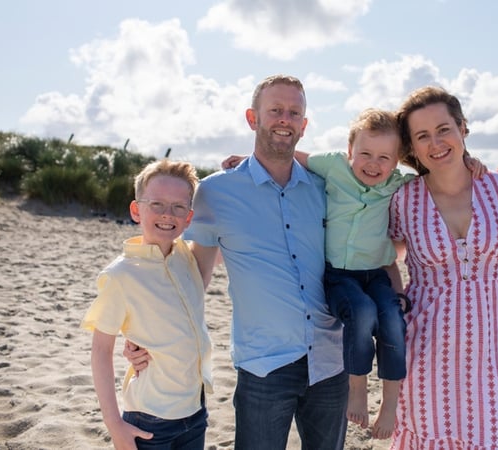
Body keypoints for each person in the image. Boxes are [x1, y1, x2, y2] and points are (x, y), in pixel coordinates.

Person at [221, 108, 485, 440]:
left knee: (392, 320)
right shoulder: (332, 166)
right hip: (339, 275)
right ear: (349, 152)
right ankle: (357, 385)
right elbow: (290, 158)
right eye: (365, 154)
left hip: (375, 274)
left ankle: (389, 402)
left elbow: (441, 172)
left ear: (396, 161)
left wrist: (470, 162)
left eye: (384, 158)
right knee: (361, 313)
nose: (373, 164)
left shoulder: (400, 184)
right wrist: (249, 158)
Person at [134, 74, 348, 450]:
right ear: (253, 118)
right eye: (275, 110)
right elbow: (194, 275)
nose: (285, 119)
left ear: (304, 124)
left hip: (330, 360)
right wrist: (147, 331)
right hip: (264, 364)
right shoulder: (216, 192)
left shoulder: (324, 188)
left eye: (294, 112)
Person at [387, 86, 498, 449]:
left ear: (462, 128)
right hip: (426, 352)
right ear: (411, 147)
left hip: (488, 358)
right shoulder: (403, 199)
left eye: (444, 129)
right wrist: (396, 297)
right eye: (422, 136)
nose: (436, 142)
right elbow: (381, 252)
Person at [82, 159, 213, 450]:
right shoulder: (120, 275)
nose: (168, 214)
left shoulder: (188, 258)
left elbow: (218, 217)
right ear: (135, 210)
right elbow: (101, 352)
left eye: (179, 207)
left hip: (196, 413)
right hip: (150, 419)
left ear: (189, 217)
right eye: (157, 204)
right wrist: (115, 425)